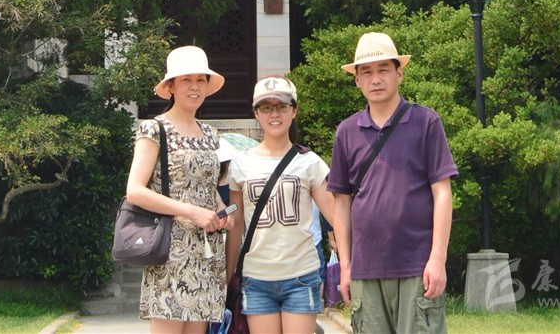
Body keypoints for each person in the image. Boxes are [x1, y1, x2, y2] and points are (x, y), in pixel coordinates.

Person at [327, 32, 458, 334]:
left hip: (417, 267)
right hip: (365, 270)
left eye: (383, 69)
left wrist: (437, 259)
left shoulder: (426, 122)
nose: (375, 79)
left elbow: (442, 193)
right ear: (357, 80)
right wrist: (346, 266)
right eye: (366, 72)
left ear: (399, 73)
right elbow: (341, 203)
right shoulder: (347, 132)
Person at [126, 45, 235, 334]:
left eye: (200, 79)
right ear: (171, 86)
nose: (195, 86)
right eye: (186, 80)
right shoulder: (154, 130)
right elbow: (135, 191)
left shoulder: (210, 134)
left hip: (206, 253)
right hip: (170, 251)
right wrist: (190, 211)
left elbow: (207, 185)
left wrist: (221, 210)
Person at [226, 75, 335, 334]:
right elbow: (236, 225)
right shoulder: (240, 163)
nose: (274, 114)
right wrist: (228, 275)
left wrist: (351, 263)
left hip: (301, 275)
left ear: (294, 110)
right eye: (266, 107)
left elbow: (335, 215)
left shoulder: (310, 162)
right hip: (256, 277)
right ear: (256, 113)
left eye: (282, 106)